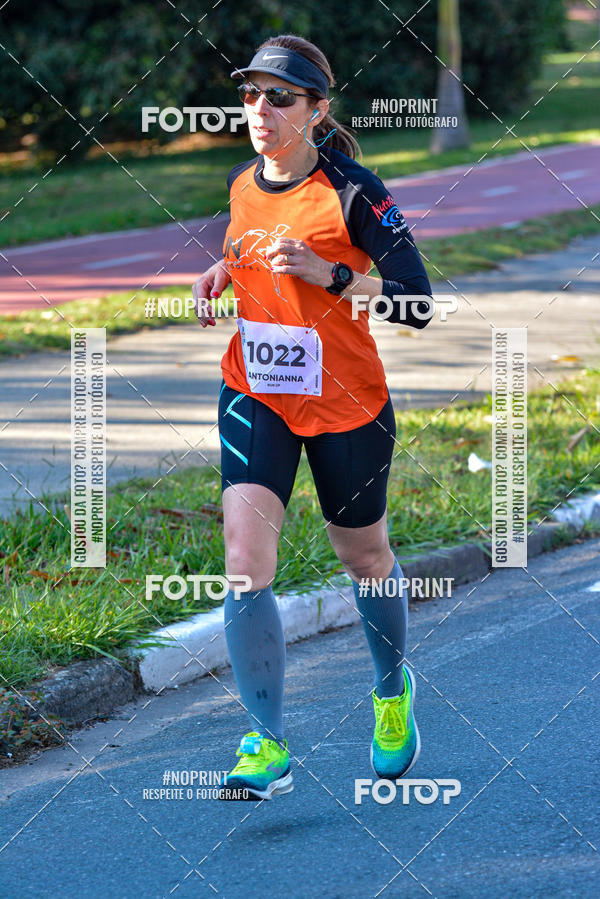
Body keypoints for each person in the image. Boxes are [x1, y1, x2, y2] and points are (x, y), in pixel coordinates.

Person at [192, 34, 434, 801]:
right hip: (256, 390)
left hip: (346, 403)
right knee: (244, 559)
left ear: (318, 109)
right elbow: (253, 242)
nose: (260, 110)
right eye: (250, 94)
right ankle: (266, 741)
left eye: (280, 96)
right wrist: (224, 269)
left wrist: (333, 275)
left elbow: (417, 304)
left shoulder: (356, 193)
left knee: (365, 558)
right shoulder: (241, 182)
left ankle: (391, 694)